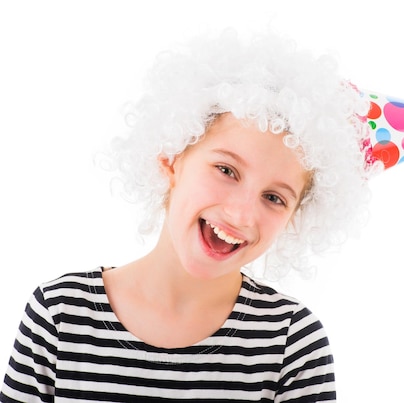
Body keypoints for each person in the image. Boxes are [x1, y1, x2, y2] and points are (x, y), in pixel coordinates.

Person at [0, 29, 379, 402]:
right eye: (226, 170)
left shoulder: (290, 343)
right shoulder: (60, 314)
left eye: (274, 197)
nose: (240, 212)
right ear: (171, 159)